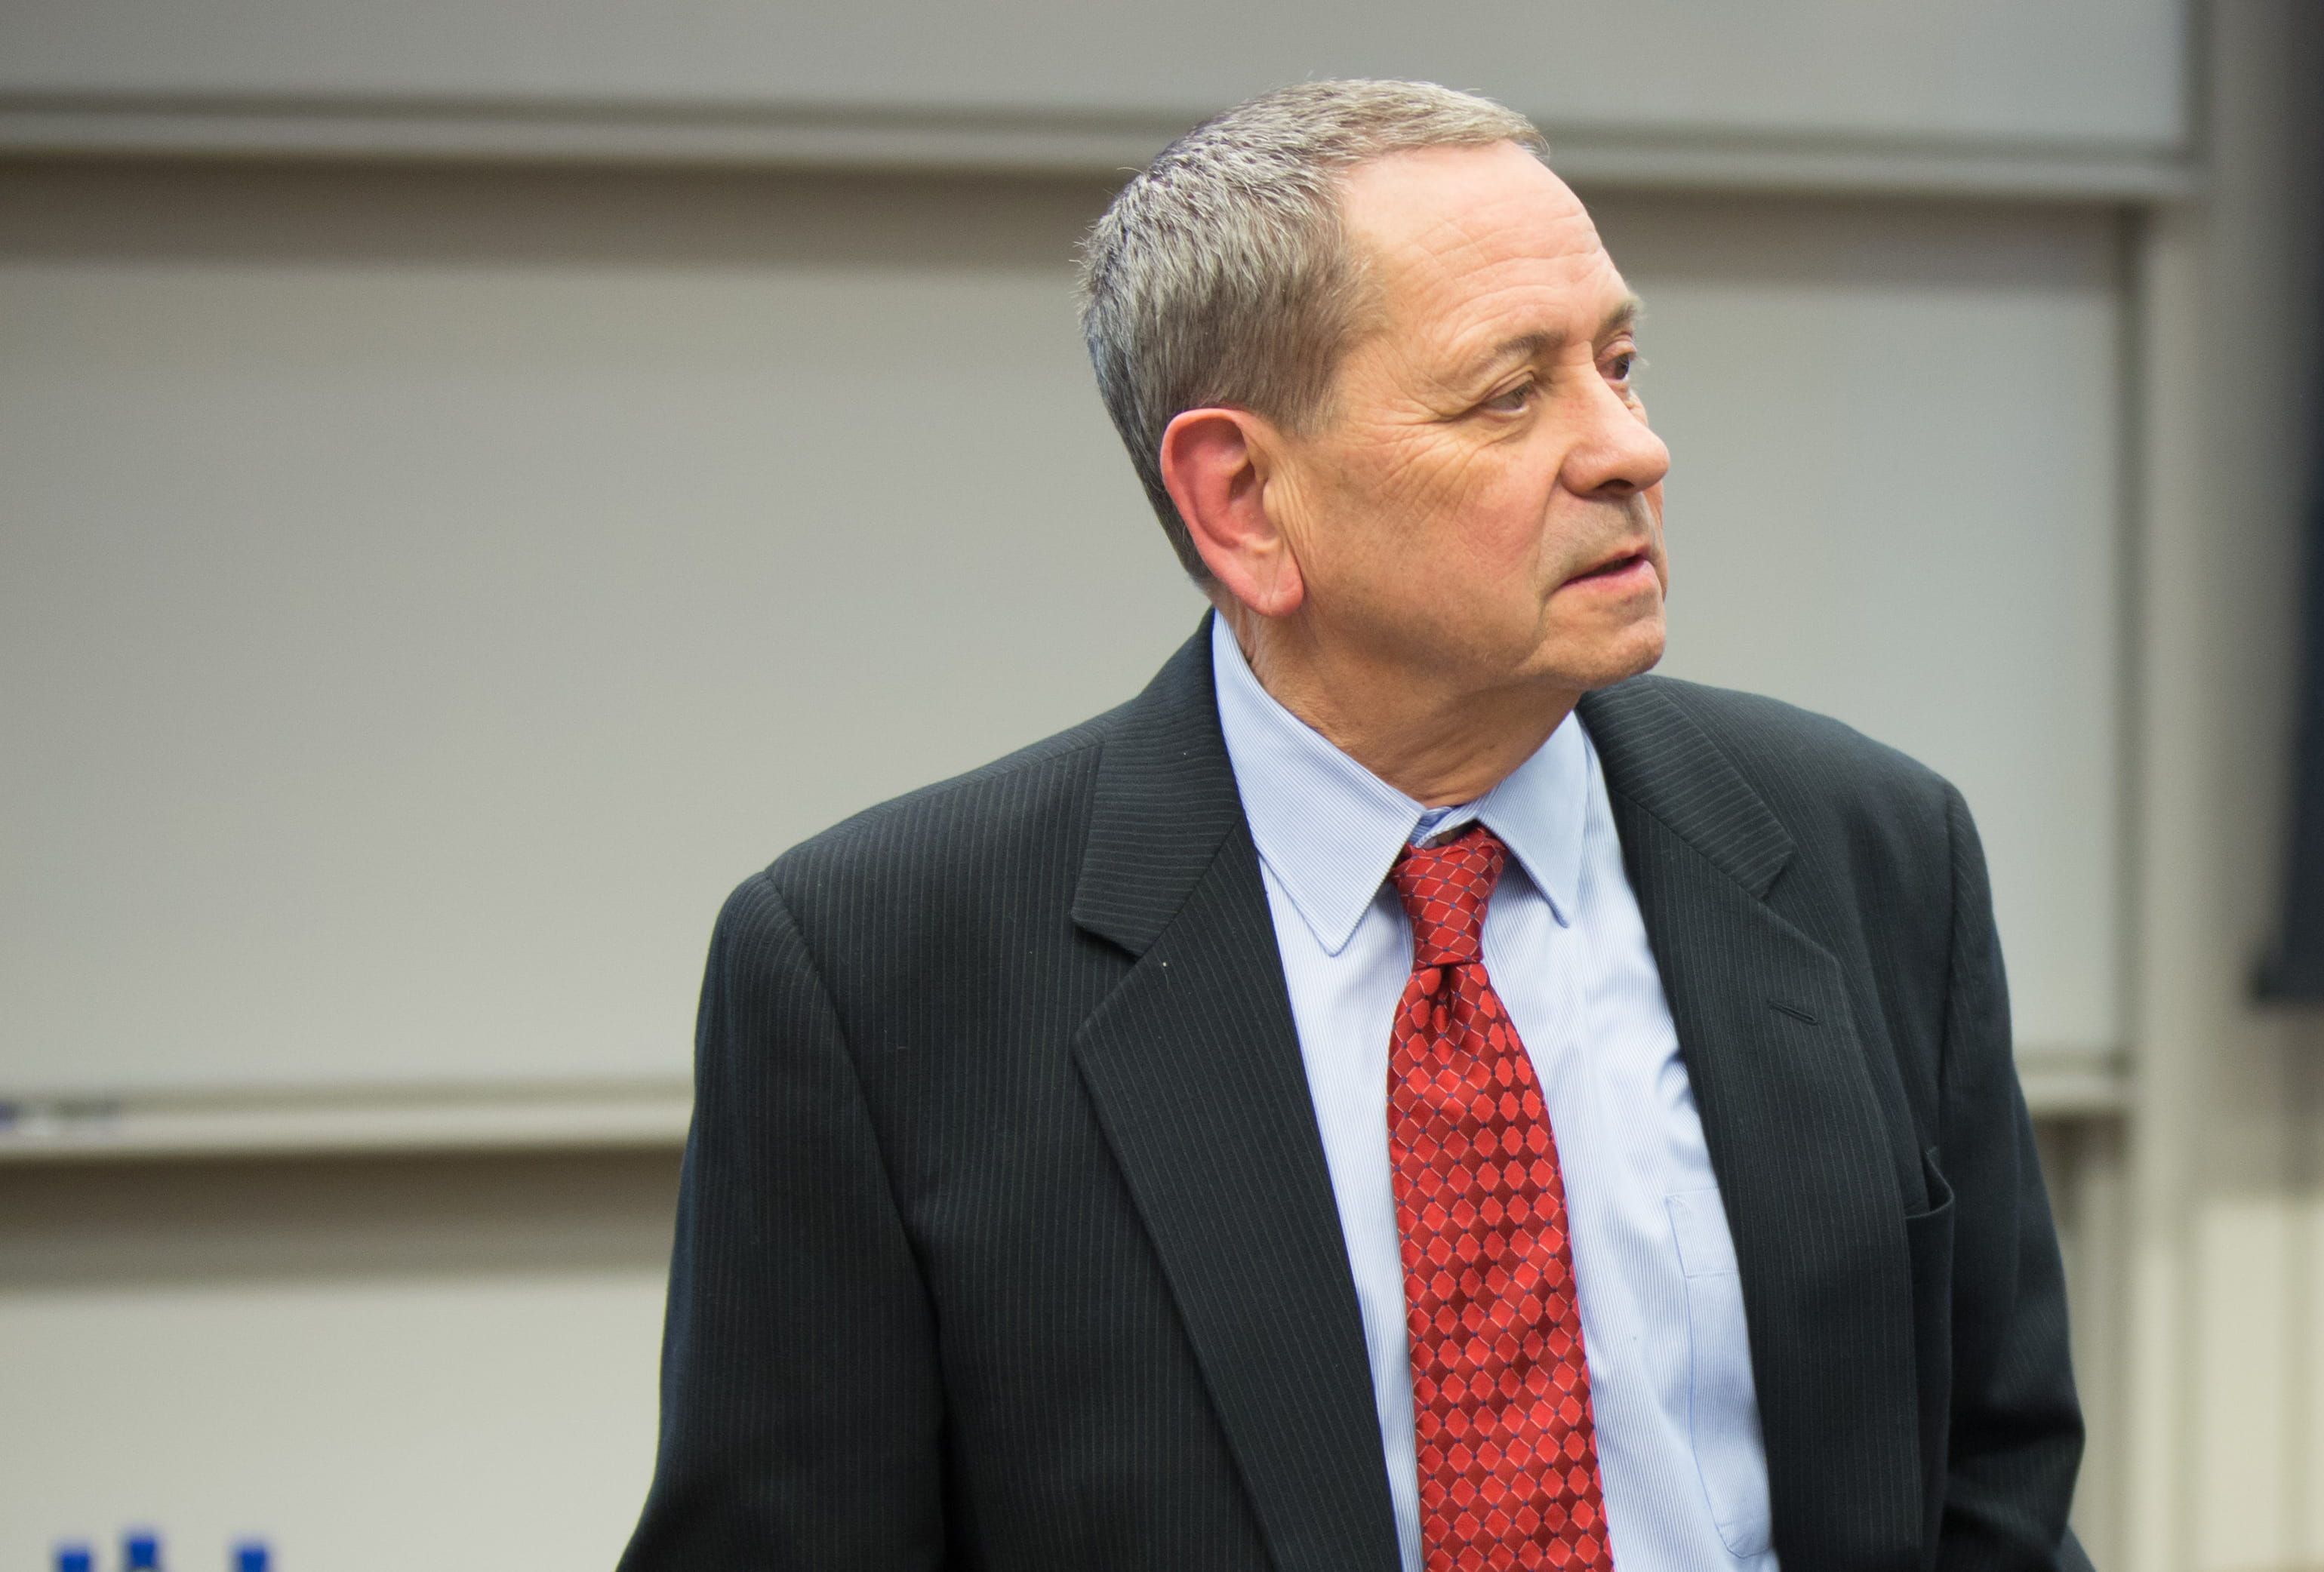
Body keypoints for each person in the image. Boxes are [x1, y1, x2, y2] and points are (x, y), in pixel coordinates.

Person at [618, 80, 2089, 1572]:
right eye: (1511, 393)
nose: (1630, 449)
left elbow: (1996, 1482)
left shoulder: (1869, 851)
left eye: (1619, 362)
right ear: (1243, 498)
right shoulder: (877, 970)